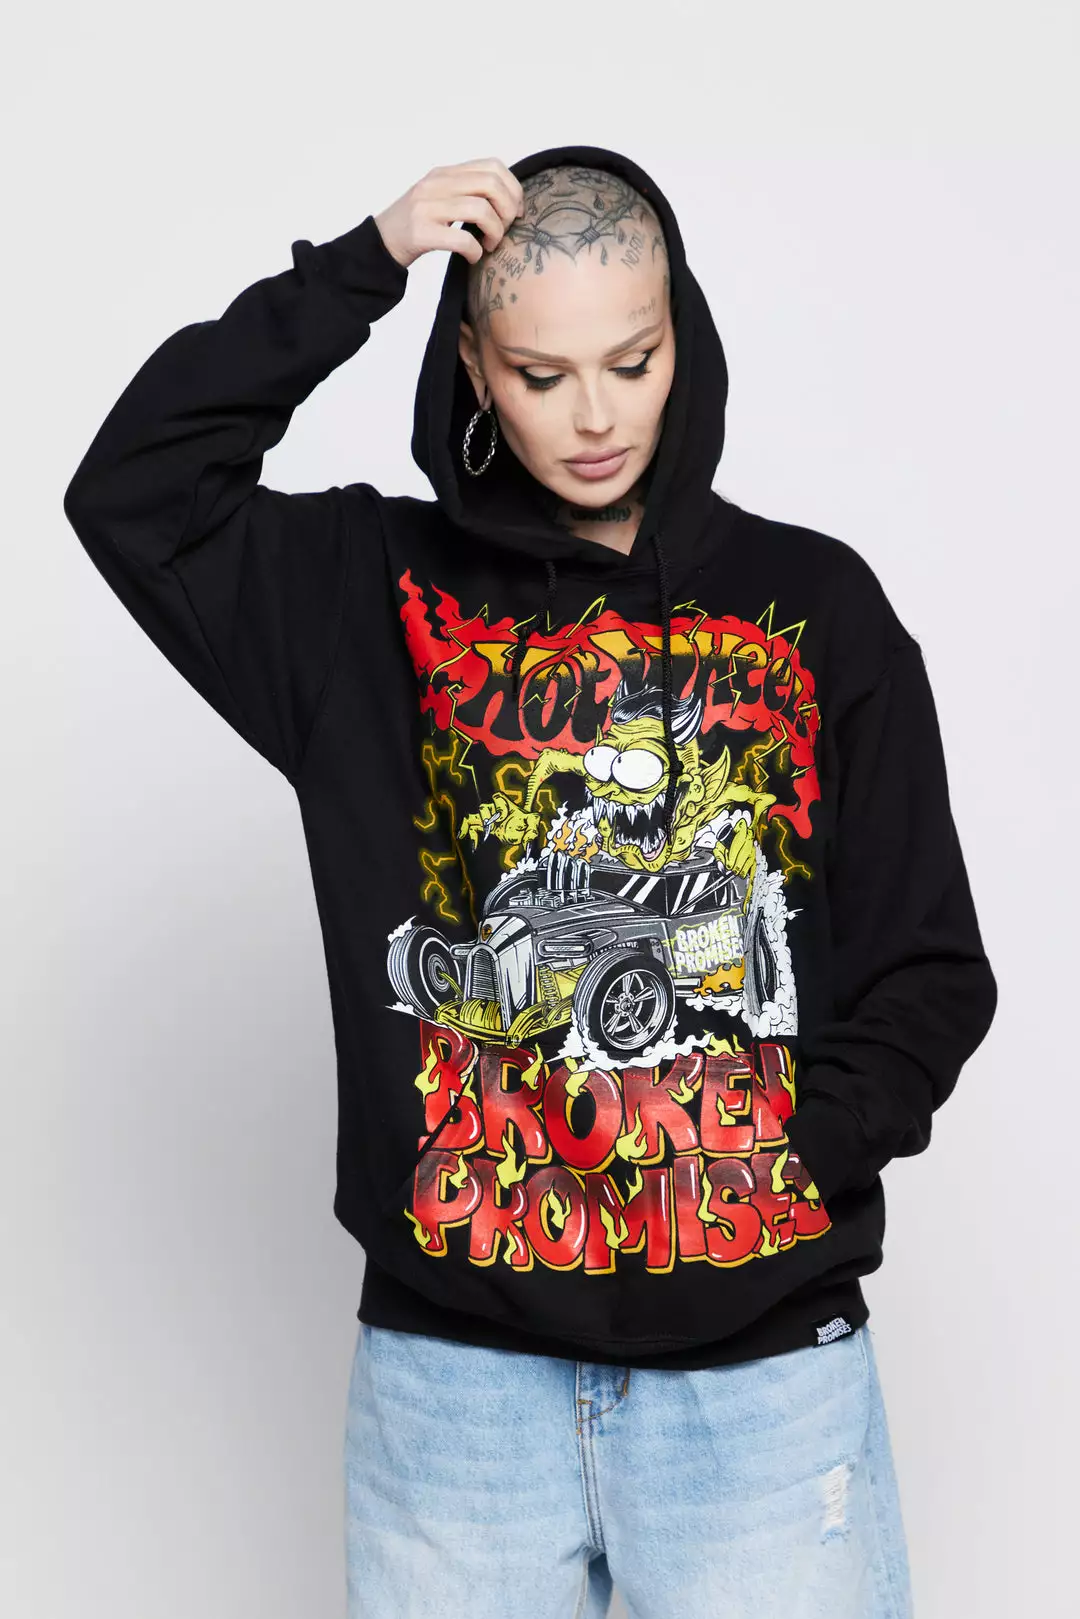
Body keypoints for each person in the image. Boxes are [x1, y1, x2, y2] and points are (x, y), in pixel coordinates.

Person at [64, 144, 997, 1617]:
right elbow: (136, 490)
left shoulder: (819, 608)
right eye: (542, 374)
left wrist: (789, 1161)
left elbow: (931, 966)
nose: (596, 416)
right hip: (457, 1386)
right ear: (474, 368)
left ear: (683, 335)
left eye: (633, 360)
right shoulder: (362, 594)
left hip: (758, 1380)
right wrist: (361, 265)